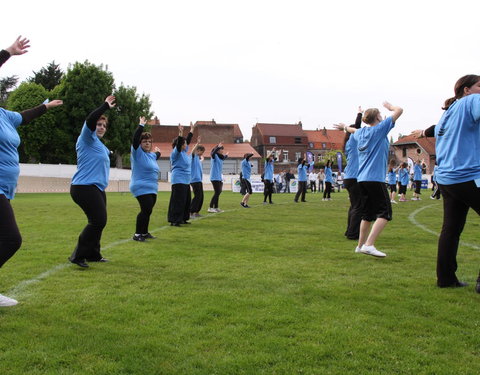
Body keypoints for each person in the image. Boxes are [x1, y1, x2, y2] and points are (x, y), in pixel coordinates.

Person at [0, 36, 63, 306]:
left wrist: (45, 108)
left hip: (6, 189)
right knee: (11, 239)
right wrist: (8, 53)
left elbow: (24, 116)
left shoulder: (4, 116)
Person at [412, 74, 480, 291]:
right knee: (451, 228)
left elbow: (434, 130)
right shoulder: (472, 101)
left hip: (447, 180)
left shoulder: (449, 113)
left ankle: (446, 279)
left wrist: (422, 132)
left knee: (451, 229)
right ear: (467, 90)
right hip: (468, 175)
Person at [338, 101, 403, 257]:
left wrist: (344, 127)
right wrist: (390, 107)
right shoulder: (379, 130)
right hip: (375, 179)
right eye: (381, 114)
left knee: (367, 215)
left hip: (362, 179)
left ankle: (360, 246)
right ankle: (369, 244)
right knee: (385, 213)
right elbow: (399, 110)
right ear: (378, 117)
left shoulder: (361, 133)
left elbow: (352, 129)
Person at [69, 96, 115, 268]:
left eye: (104, 125)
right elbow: (89, 119)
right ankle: (77, 256)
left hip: (97, 188)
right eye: (99, 124)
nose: (101, 127)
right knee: (98, 221)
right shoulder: (86, 138)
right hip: (83, 187)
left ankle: (93, 254)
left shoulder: (100, 145)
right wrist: (104, 106)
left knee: (99, 221)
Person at [130, 117, 160, 241]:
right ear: (140, 144)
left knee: (148, 210)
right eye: (144, 141)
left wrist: (158, 152)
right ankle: (137, 234)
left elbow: (156, 155)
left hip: (152, 188)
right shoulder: (137, 153)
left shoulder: (151, 155)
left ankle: (144, 232)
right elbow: (135, 139)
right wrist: (141, 125)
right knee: (145, 209)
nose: (147, 143)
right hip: (141, 186)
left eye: (149, 141)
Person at [336, 106, 362, 240]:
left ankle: (349, 231)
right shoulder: (353, 140)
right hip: (355, 178)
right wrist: (359, 114)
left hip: (350, 178)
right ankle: (353, 233)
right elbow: (357, 127)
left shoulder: (348, 143)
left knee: (354, 206)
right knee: (358, 207)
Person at [168, 123, 193, 226]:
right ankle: (174, 220)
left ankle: (183, 218)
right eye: (184, 143)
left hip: (186, 181)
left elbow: (187, 141)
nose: (186, 145)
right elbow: (179, 144)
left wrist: (191, 130)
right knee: (178, 201)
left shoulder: (184, 152)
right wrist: (181, 133)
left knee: (186, 200)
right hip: (178, 180)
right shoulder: (176, 152)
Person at [208, 142, 228, 212]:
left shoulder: (220, 158)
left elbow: (223, 157)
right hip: (214, 177)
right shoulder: (214, 156)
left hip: (219, 177)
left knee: (218, 192)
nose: (223, 151)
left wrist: (226, 155)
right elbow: (212, 153)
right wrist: (218, 147)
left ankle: (216, 207)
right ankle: (210, 207)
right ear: (218, 150)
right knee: (217, 192)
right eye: (221, 149)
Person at [190, 138, 205, 218]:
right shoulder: (193, 156)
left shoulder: (198, 159)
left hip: (199, 180)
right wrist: (197, 144)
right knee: (197, 196)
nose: (201, 154)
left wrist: (202, 159)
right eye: (201, 152)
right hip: (194, 180)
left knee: (201, 196)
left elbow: (199, 162)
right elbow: (192, 152)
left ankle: (196, 211)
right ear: (197, 150)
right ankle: (191, 212)